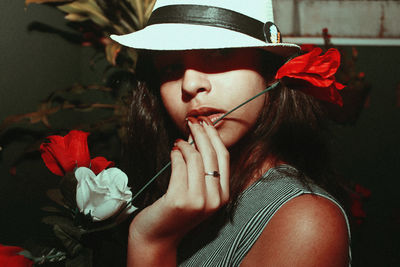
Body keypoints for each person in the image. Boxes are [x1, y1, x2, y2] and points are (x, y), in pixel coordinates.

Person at [111, 0, 351, 266]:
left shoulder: (305, 222)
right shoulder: (172, 195)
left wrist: (152, 243)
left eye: (219, 52)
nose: (190, 84)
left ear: (269, 71)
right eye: (171, 67)